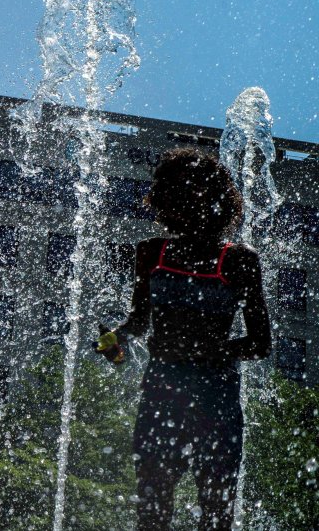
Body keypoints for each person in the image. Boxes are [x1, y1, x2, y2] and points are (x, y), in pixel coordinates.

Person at [96, 148, 271, 531]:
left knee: (216, 510)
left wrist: (205, 350)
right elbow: (140, 321)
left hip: (216, 397)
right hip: (162, 391)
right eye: (176, 193)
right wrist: (116, 339)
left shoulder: (240, 260)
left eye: (195, 193)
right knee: (152, 507)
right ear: (166, 200)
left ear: (215, 200)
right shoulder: (151, 253)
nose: (185, 203)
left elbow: (260, 344)